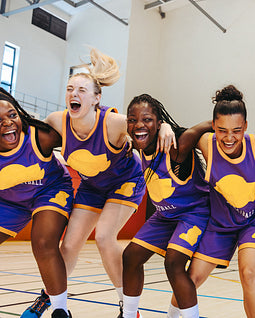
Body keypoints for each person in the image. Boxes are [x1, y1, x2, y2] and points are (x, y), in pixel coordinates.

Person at [24, 48, 175, 318]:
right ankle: (50, 298)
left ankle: (127, 306)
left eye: (82, 90)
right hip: (92, 187)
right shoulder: (56, 121)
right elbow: (28, 141)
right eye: (70, 89)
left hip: (125, 182)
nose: (74, 94)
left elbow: (146, 128)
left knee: (105, 237)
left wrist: (164, 126)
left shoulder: (114, 123)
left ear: (96, 99)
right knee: (68, 246)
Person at [167, 85, 255, 318]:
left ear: (245, 127)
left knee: (249, 272)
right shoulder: (207, 143)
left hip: (254, 222)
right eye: (222, 129)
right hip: (220, 224)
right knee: (192, 277)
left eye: (236, 130)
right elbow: (182, 137)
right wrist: (166, 127)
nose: (229, 137)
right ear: (213, 126)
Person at [121, 94, 212, 318]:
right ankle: (129, 315)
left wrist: (170, 126)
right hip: (165, 216)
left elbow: (210, 124)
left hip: (194, 213)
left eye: (147, 119)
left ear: (159, 123)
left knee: (173, 263)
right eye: (132, 119)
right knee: (130, 256)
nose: (138, 124)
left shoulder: (177, 146)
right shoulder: (138, 144)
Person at [0, 88, 74, 318]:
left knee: (43, 243)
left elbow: (83, 132)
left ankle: (60, 310)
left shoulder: (40, 136)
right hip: (10, 199)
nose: (8, 123)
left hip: (49, 189)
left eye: (12, 115)